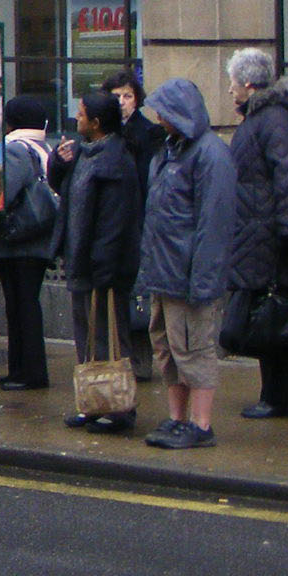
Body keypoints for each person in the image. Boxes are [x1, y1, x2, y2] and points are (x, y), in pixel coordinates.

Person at [224, 48, 288, 419]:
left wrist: (286, 232)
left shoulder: (273, 120)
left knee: (272, 319)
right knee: (272, 318)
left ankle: (278, 396)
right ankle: (280, 394)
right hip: (261, 234)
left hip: (272, 238)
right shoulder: (262, 118)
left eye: (233, 82)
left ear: (248, 84)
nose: (230, 90)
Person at [136, 78, 237, 449]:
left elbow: (215, 224)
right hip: (164, 274)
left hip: (189, 275)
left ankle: (202, 424)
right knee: (167, 349)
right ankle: (177, 418)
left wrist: (204, 281)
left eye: (163, 112)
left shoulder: (210, 154)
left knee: (195, 350)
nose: (159, 118)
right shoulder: (168, 152)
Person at [50, 89, 141, 431]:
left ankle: (119, 408)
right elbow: (66, 190)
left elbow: (115, 221)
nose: (77, 117)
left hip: (104, 267)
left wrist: (104, 267)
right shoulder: (85, 154)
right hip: (81, 261)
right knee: (85, 336)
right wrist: (58, 163)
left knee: (109, 336)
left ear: (97, 123)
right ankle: (92, 401)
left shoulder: (116, 160)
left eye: (83, 113)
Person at [0, 94, 58, 391]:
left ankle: (27, 371)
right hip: (38, 239)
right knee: (24, 304)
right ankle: (20, 369)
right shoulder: (44, 147)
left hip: (19, 241)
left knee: (21, 306)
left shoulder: (16, 150)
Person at [103, 66, 162, 378]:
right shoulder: (102, 131)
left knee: (138, 294)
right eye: (117, 96)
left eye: (128, 96)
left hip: (138, 221)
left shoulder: (148, 133)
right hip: (113, 224)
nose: (123, 102)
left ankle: (140, 360)